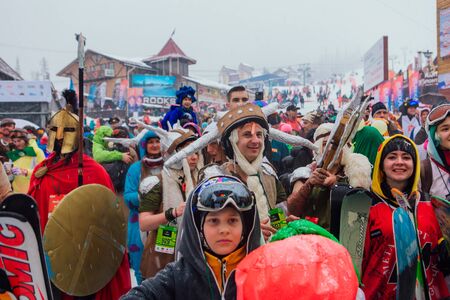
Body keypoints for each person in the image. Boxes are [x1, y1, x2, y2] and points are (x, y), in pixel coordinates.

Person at [28, 90, 131, 299]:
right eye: (56, 132)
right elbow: (35, 218)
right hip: (53, 258)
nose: (60, 137)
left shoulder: (94, 171)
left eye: (65, 132)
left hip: (89, 257)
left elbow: (108, 219)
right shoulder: (42, 172)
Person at [121, 175, 261, 300]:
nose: (224, 230)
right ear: (199, 228)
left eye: (232, 221)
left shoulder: (262, 273)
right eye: (213, 221)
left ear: (245, 226)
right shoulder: (179, 275)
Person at [361, 135, 449, 299]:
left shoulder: (429, 204)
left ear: (414, 165)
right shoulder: (366, 205)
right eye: (392, 157)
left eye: (406, 157)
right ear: (381, 165)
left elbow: (439, 249)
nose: (399, 162)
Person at [137, 126, 201, 279]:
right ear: (173, 153)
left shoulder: (200, 178)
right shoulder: (156, 182)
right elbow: (144, 223)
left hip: (193, 257)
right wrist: (173, 213)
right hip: (162, 259)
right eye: (188, 152)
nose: (194, 157)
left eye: (196, 152)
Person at [287, 123, 372, 230]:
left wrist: (336, 185)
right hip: (311, 238)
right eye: (325, 144)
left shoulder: (355, 172)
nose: (331, 149)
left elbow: (361, 211)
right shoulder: (306, 173)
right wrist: (309, 184)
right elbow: (292, 209)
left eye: (336, 145)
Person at [123, 130, 163, 284]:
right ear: (144, 145)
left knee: (164, 265)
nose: (154, 145)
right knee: (142, 268)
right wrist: (146, 196)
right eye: (151, 142)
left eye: (157, 141)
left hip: (164, 222)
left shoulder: (169, 166)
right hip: (140, 224)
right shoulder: (135, 169)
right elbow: (128, 196)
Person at [6, 129, 45, 193]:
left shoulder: (37, 151)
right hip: (17, 192)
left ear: (26, 140)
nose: (16, 144)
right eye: (14, 141)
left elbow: (43, 171)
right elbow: (11, 178)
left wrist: (25, 171)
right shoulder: (14, 153)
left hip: (34, 191)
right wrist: (8, 173)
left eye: (19, 141)